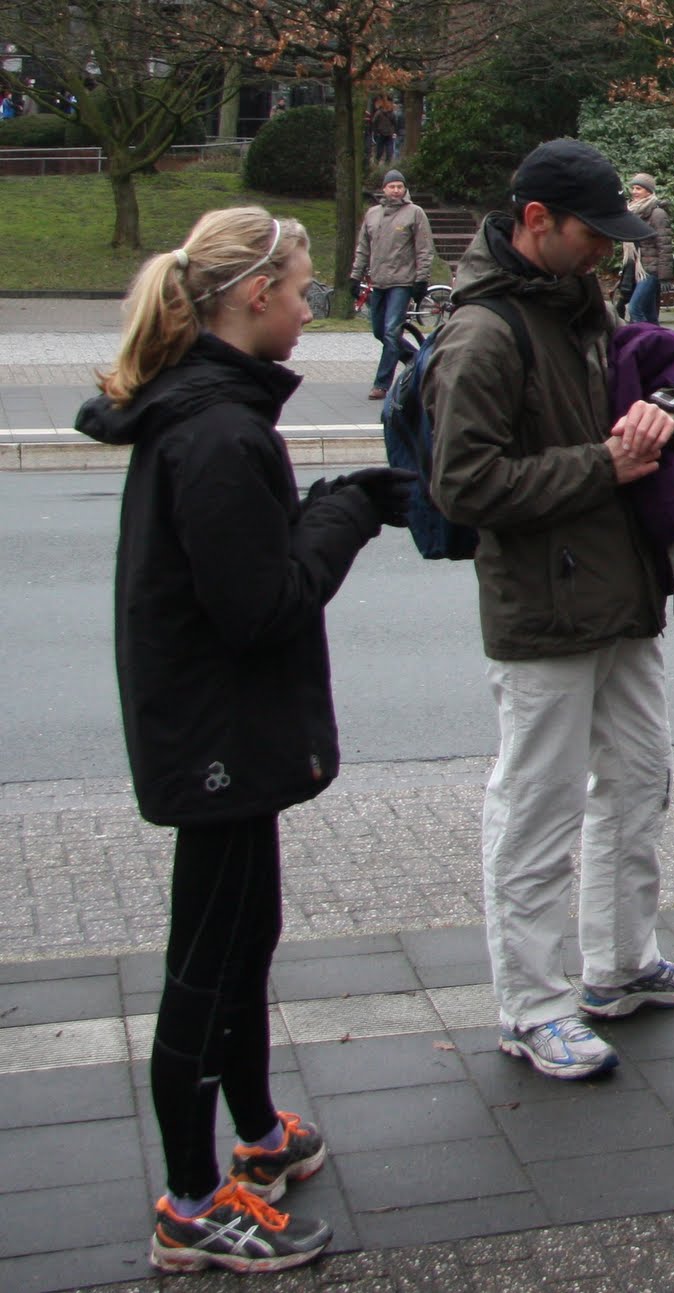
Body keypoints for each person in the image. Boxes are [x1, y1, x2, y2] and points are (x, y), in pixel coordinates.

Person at [74, 207, 416, 1272]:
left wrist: (334, 503)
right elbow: (261, 606)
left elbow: (242, 567)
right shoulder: (219, 432)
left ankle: (259, 1135)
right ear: (255, 295)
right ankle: (188, 1205)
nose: (313, 307)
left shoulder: (211, 411)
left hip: (219, 724)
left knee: (245, 934)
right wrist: (346, 513)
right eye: (304, 290)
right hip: (213, 732)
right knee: (206, 961)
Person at [425, 139, 674, 1082]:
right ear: (535, 221)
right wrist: (605, 464)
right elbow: (464, 486)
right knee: (537, 808)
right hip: (544, 608)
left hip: (619, 590)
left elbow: (660, 384)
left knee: (639, 779)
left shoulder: (577, 303)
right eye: (594, 233)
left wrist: (668, 406)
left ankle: (621, 965)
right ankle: (533, 1005)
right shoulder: (482, 334)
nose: (606, 250)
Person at [350, 168, 435, 400]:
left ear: (405, 189)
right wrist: (355, 276)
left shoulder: (415, 213)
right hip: (378, 282)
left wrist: (421, 279)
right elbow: (363, 248)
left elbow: (424, 249)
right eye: (392, 186)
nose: (396, 190)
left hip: (402, 282)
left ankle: (381, 384)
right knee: (380, 331)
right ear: (384, 189)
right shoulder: (372, 214)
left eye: (400, 186)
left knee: (391, 331)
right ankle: (418, 361)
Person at [621, 172, 672, 324]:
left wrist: (664, 277)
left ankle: (644, 337)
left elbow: (664, 246)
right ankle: (657, 337)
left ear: (649, 191)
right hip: (637, 268)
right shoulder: (633, 212)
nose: (634, 192)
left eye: (639, 188)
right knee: (650, 315)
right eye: (633, 188)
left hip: (650, 270)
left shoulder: (657, 213)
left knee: (634, 309)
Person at [369, 95, 398, 164]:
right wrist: (376, 132)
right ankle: (378, 163)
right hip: (382, 134)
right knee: (381, 151)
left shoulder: (388, 113)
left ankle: (384, 164)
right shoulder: (380, 113)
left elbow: (394, 123)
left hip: (387, 134)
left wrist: (394, 131)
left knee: (387, 151)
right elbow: (374, 122)